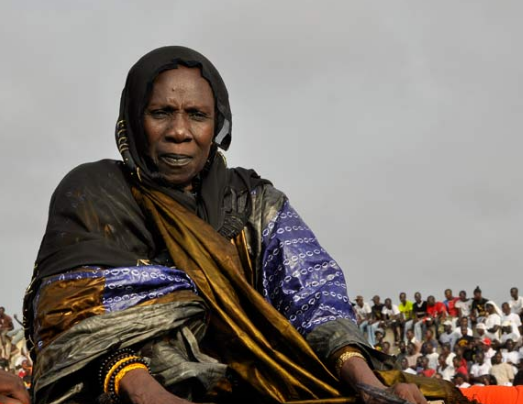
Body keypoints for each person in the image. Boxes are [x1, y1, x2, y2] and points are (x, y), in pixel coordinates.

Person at [23, 47, 465, 404]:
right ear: (134, 120)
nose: (180, 131)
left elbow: (312, 294)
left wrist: (367, 384)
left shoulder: (253, 204)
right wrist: (147, 393)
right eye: (161, 112)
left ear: (217, 125)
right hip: (123, 390)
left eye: (197, 115)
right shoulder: (93, 192)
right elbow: (80, 323)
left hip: (253, 384)